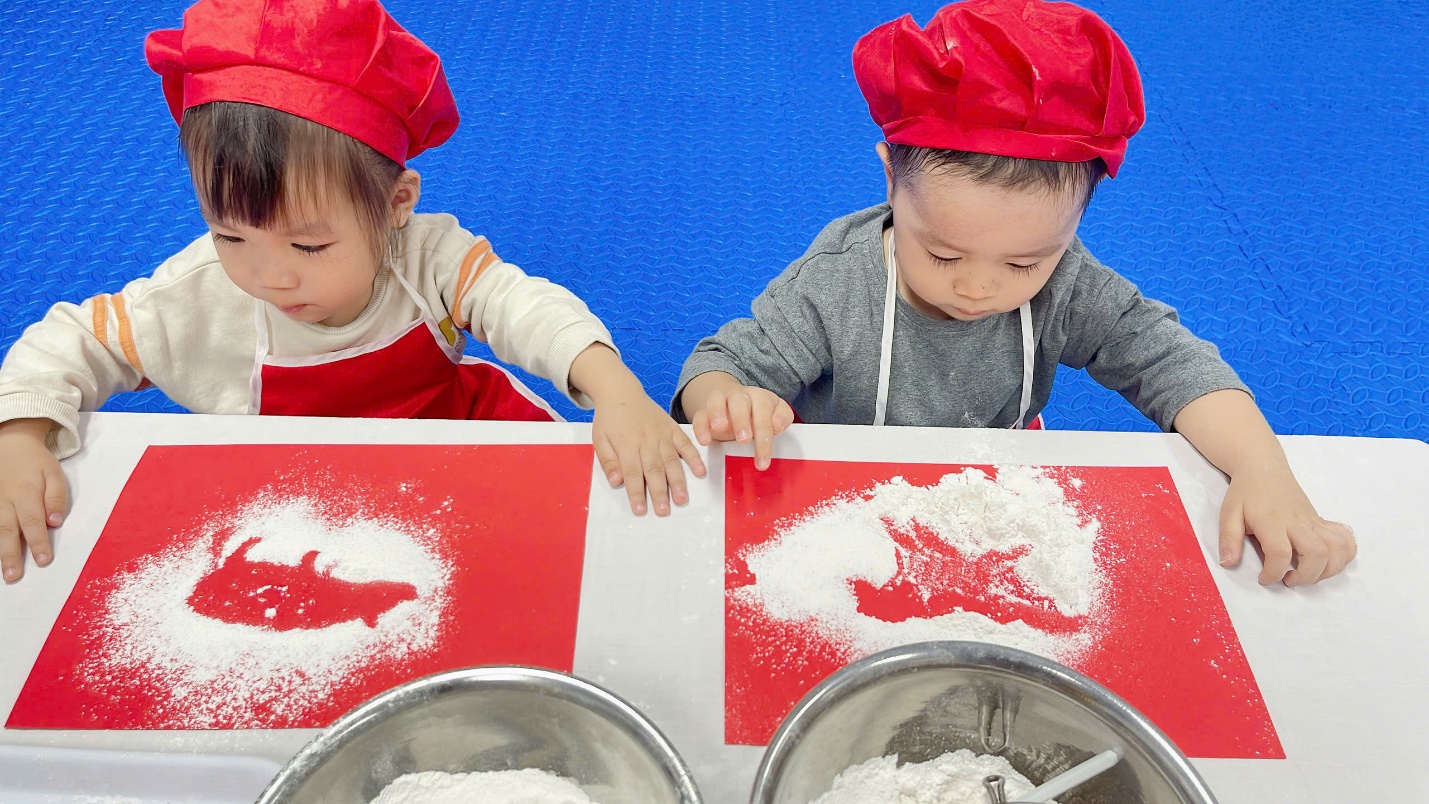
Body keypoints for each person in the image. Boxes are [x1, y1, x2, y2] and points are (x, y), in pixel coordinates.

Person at [0, 0, 704, 583]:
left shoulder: (425, 257)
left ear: (396, 204)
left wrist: (613, 387)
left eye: (309, 245)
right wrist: (20, 434)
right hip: (304, 499)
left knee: (562, 555)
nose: (271, 275)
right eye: (230, 236)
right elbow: (72, 342)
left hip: (454, 447)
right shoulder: (199, 297)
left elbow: (523, 306)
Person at [675, 0, 1355, 586]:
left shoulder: (1070, 283)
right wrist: (732, 403)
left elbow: (1175, 366)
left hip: (990, 488)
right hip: (838, 497)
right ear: (890, 179)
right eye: (941, 253)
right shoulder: (835, 283)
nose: (976, 287)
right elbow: (716, 369)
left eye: (1024, 263)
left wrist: (1264, 471)